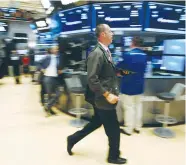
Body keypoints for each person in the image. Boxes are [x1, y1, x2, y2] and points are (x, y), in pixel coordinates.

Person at [67, 24, 127, 164]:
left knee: (95, 123)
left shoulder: (106, 51)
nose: (112, 34)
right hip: (103, 99)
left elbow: (103, 74)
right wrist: (107, 94)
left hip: (103, 97)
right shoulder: (97, 53)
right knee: (114, 130)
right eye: (110, 31)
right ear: (103, 34)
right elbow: (92, 79)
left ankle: (72, 139)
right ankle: (113, 157)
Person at [116, 37, 147, 136]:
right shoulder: (145, 55)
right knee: (138, 106)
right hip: (140, 86)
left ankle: (129, 129)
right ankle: (137, 127)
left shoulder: (127, 55)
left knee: (129, 107)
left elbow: (119, 69)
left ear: (133, 43)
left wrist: (120, 73)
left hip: (128, 86)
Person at [37, 46, 62, 115]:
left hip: (55, 78)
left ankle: (47, 106)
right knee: (49, 95)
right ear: (51, 50)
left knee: (59, 92)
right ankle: (50, 110)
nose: (57, 50)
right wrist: (41, 69)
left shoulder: (58, 58)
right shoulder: (48, 57)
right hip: (47, 78)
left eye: (57, 49)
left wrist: (59, 70)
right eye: (55, 49)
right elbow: (38, 63)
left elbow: (58, 67)